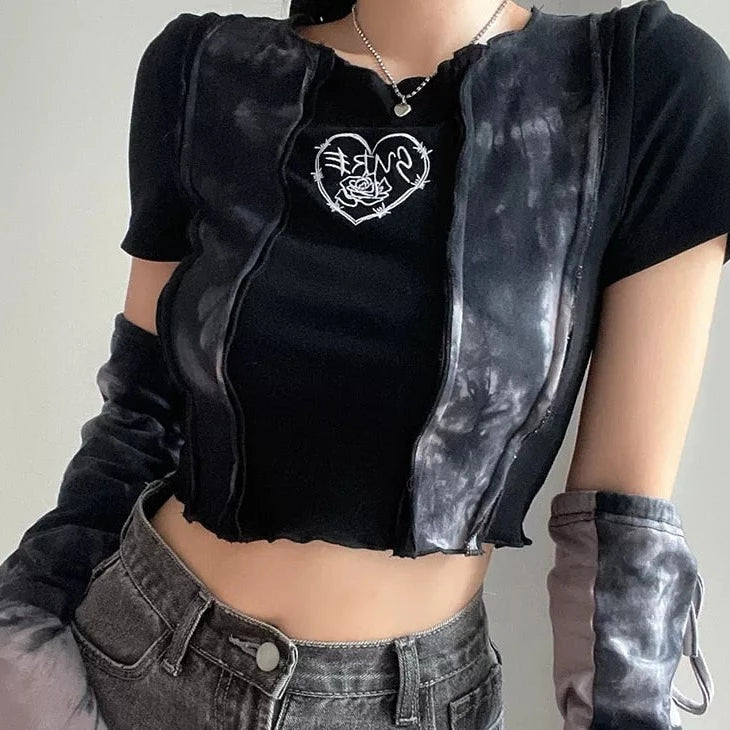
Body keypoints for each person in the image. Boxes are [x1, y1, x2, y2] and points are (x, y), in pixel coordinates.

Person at [0, 0, 728, 727]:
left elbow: (622, 535)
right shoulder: (204, 70)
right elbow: (139, 418)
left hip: (417, 705)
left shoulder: (641, 84)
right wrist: (20, 648)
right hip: (141, 663)